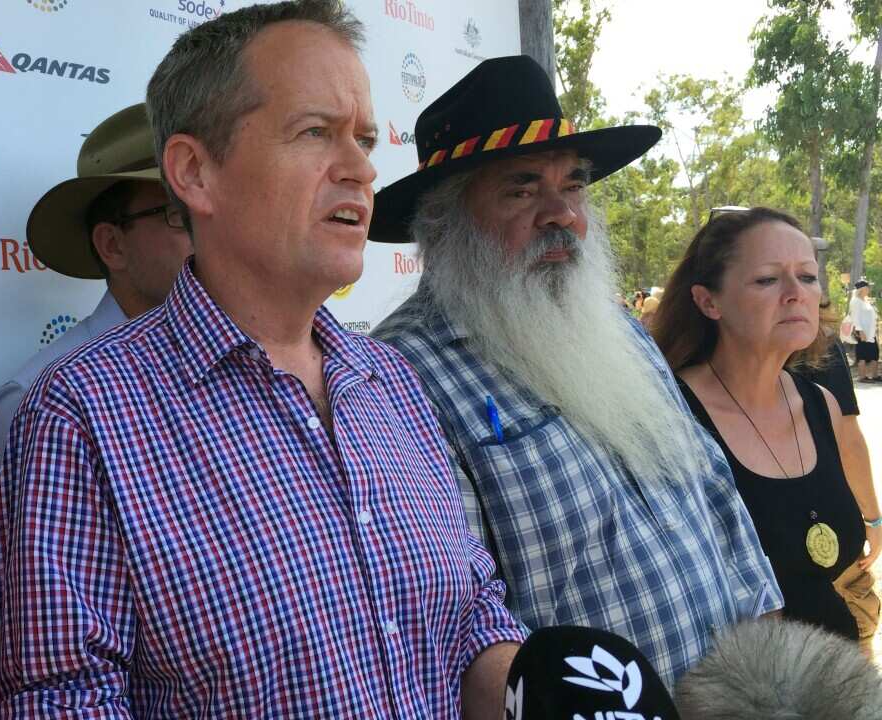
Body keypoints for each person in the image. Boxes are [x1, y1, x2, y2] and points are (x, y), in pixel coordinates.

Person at [0, 2, 525, 717]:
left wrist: (539, 687)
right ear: (195, 173)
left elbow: (472, 616)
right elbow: (60, 701)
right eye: (315, 133)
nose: (362, 168)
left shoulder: (390, 381)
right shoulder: (81, 413)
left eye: (363, 138)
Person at [369, 55, 780, 682]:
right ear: (444, 221)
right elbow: (451, 623)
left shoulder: (613, 328)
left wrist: (768, 665)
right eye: (523, 187)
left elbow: (709, 484)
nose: (562, 213)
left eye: (575, 185)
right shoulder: (401, 378)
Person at [653, 208, 880, 642]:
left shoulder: (821, 405)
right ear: (708, 301)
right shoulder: (672, 419)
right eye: (767, 279)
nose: (796, 293)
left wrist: (874, 521)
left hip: (835, 680)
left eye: (808, 277)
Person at [0, 103, 192, 456]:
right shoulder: (40, 402)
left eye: (210, 211)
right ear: (112, 245)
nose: (210, 234)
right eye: (178, 214)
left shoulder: (252, 361)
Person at [849, 280, 878, 382]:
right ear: (862, 289)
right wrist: (860, 331)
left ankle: (874, 375)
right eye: (867, 287)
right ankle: (862, 377)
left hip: (871, 332)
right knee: (862, 354)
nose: (869, 289)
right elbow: (855, 317)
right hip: (862, 332)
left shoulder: (865, 301)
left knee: (874, 354)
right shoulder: (856, 301)